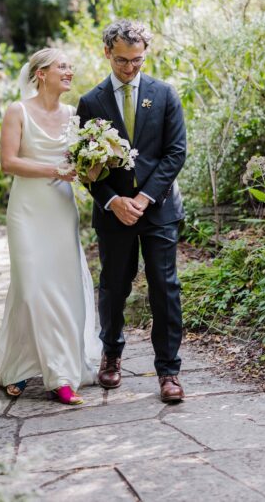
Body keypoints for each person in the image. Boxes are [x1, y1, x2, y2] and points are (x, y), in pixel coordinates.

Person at [76, 20, 188, 403]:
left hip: (158, 210)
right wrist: (113, 200)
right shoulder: (91, 102)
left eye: (137, 60)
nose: (130, 68)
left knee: (164, 287)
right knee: (114, 287)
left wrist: (144, 199)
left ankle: (169, 371)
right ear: (107, 52)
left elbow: (176, 153)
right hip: (114, 213)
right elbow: (83, 164)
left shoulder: (165, 94)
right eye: (123, 60)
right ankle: (111, 354)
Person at [0, 47, 101, 405]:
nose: (69, 72)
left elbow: (84, 170)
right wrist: (55, 170)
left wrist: (101, 162)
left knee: (63, 290)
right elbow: (9, 162)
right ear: (41, 73)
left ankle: (56, 373)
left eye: (70, 66)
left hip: (60, 210)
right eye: (61, 67)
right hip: (27, 211)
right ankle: (35, 368)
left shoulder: (74, 114)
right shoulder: (17, 112)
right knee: (31, 288)